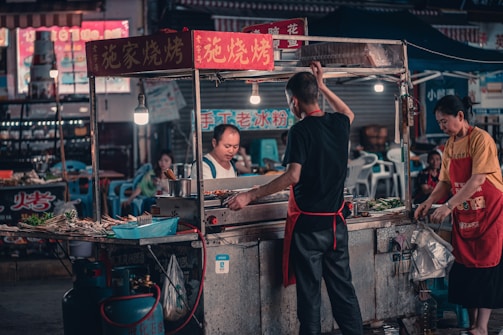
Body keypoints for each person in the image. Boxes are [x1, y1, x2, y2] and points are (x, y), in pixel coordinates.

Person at [226, 61, 363, 335]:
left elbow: (292, 176)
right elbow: (348, 111)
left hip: (309, 230)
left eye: (289, 101)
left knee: (310, 297)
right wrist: (323, 85)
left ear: (296, 101)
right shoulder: (338, 123)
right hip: (336, 226)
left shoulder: (300, 131)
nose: (291, 107)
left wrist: (251, 194)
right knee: (343, 292)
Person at [414, 95, 503, 335]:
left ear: (460, 116)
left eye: (444, 121)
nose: (441, 127)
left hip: (488, 214)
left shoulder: (481, 139)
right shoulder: (451, 145)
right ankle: (473, 324)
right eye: (439, 122)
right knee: (466, 270)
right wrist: (430, 201)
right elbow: (445, 181)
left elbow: (478, 180)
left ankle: (483, 327)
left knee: (485, 269)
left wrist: (449, 206)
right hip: (465, 216)